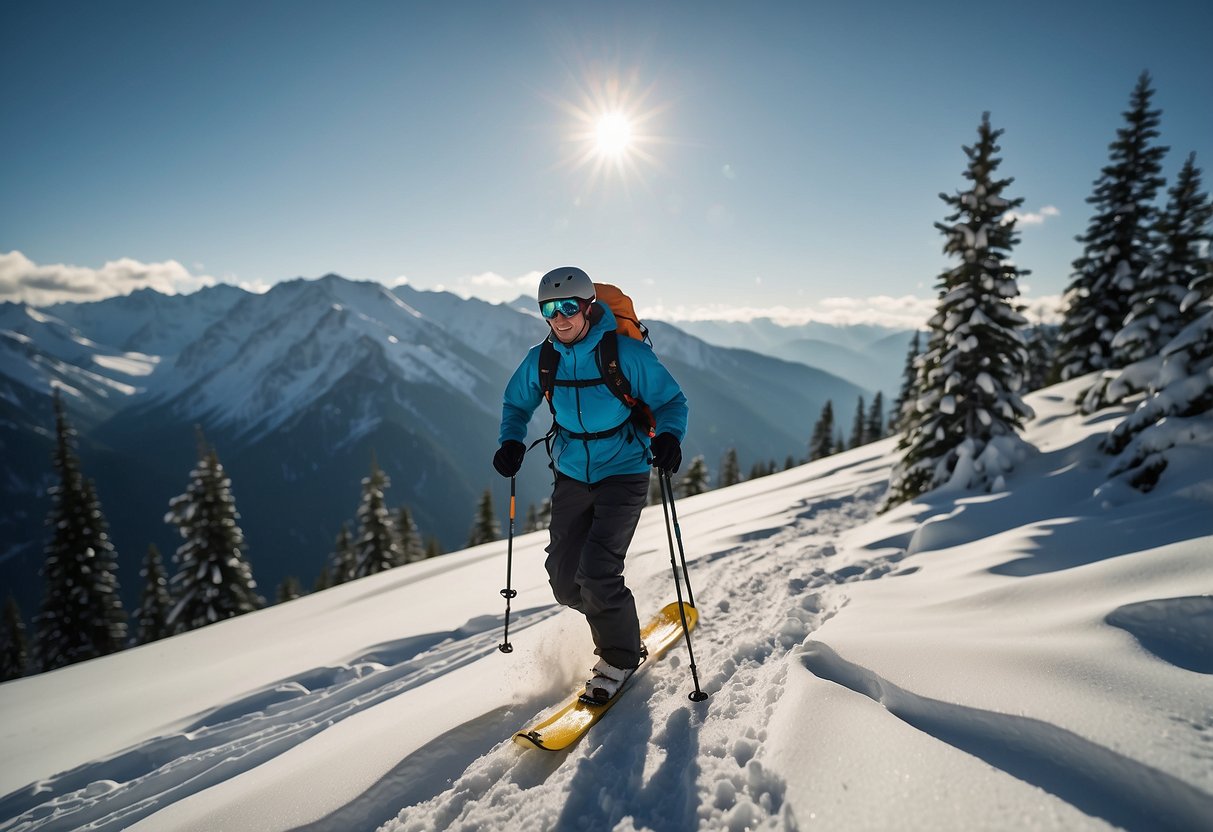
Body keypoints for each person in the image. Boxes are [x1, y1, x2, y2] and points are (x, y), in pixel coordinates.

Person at [493, 266, 688, 702]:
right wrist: (510, 440)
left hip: (624, 469)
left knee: (598, 572)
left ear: (588, 307)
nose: (560, 317)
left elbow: (671, 400)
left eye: (569, 307)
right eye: (550, 309)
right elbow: (515, 403)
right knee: (565, 582)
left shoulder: (624, 355)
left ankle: (620, 655)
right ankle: (613, 616)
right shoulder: (541, 360)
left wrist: (670, 437)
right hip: (571, 473)